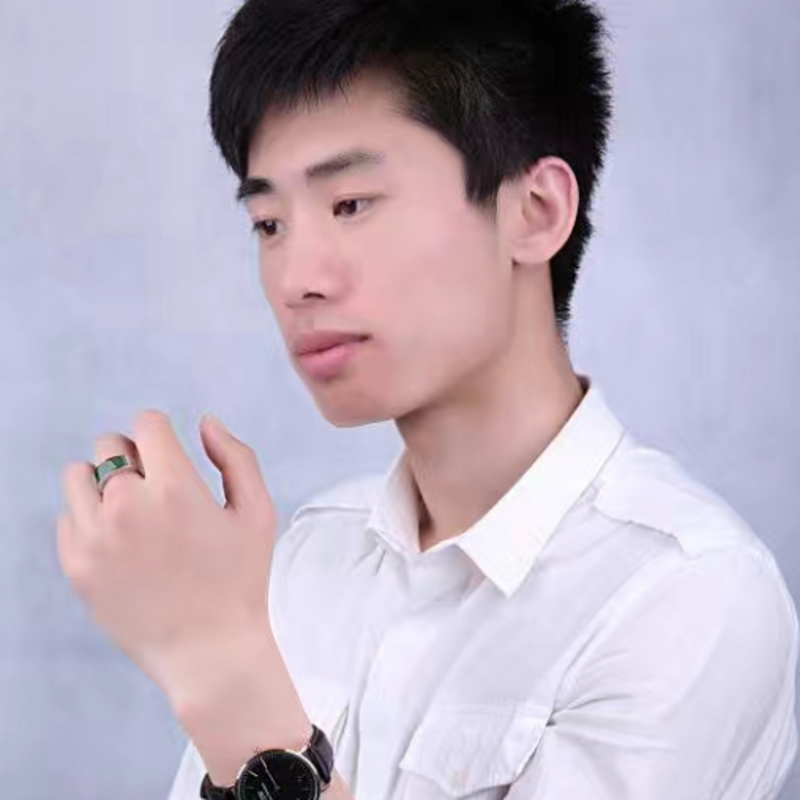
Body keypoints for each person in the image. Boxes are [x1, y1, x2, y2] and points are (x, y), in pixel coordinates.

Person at [166, 0, 799, 797]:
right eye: (268, 224)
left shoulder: (690, 596)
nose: (296, 279)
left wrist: (220, 668)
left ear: (535, 212)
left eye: (350, 204)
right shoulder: (312, 556)